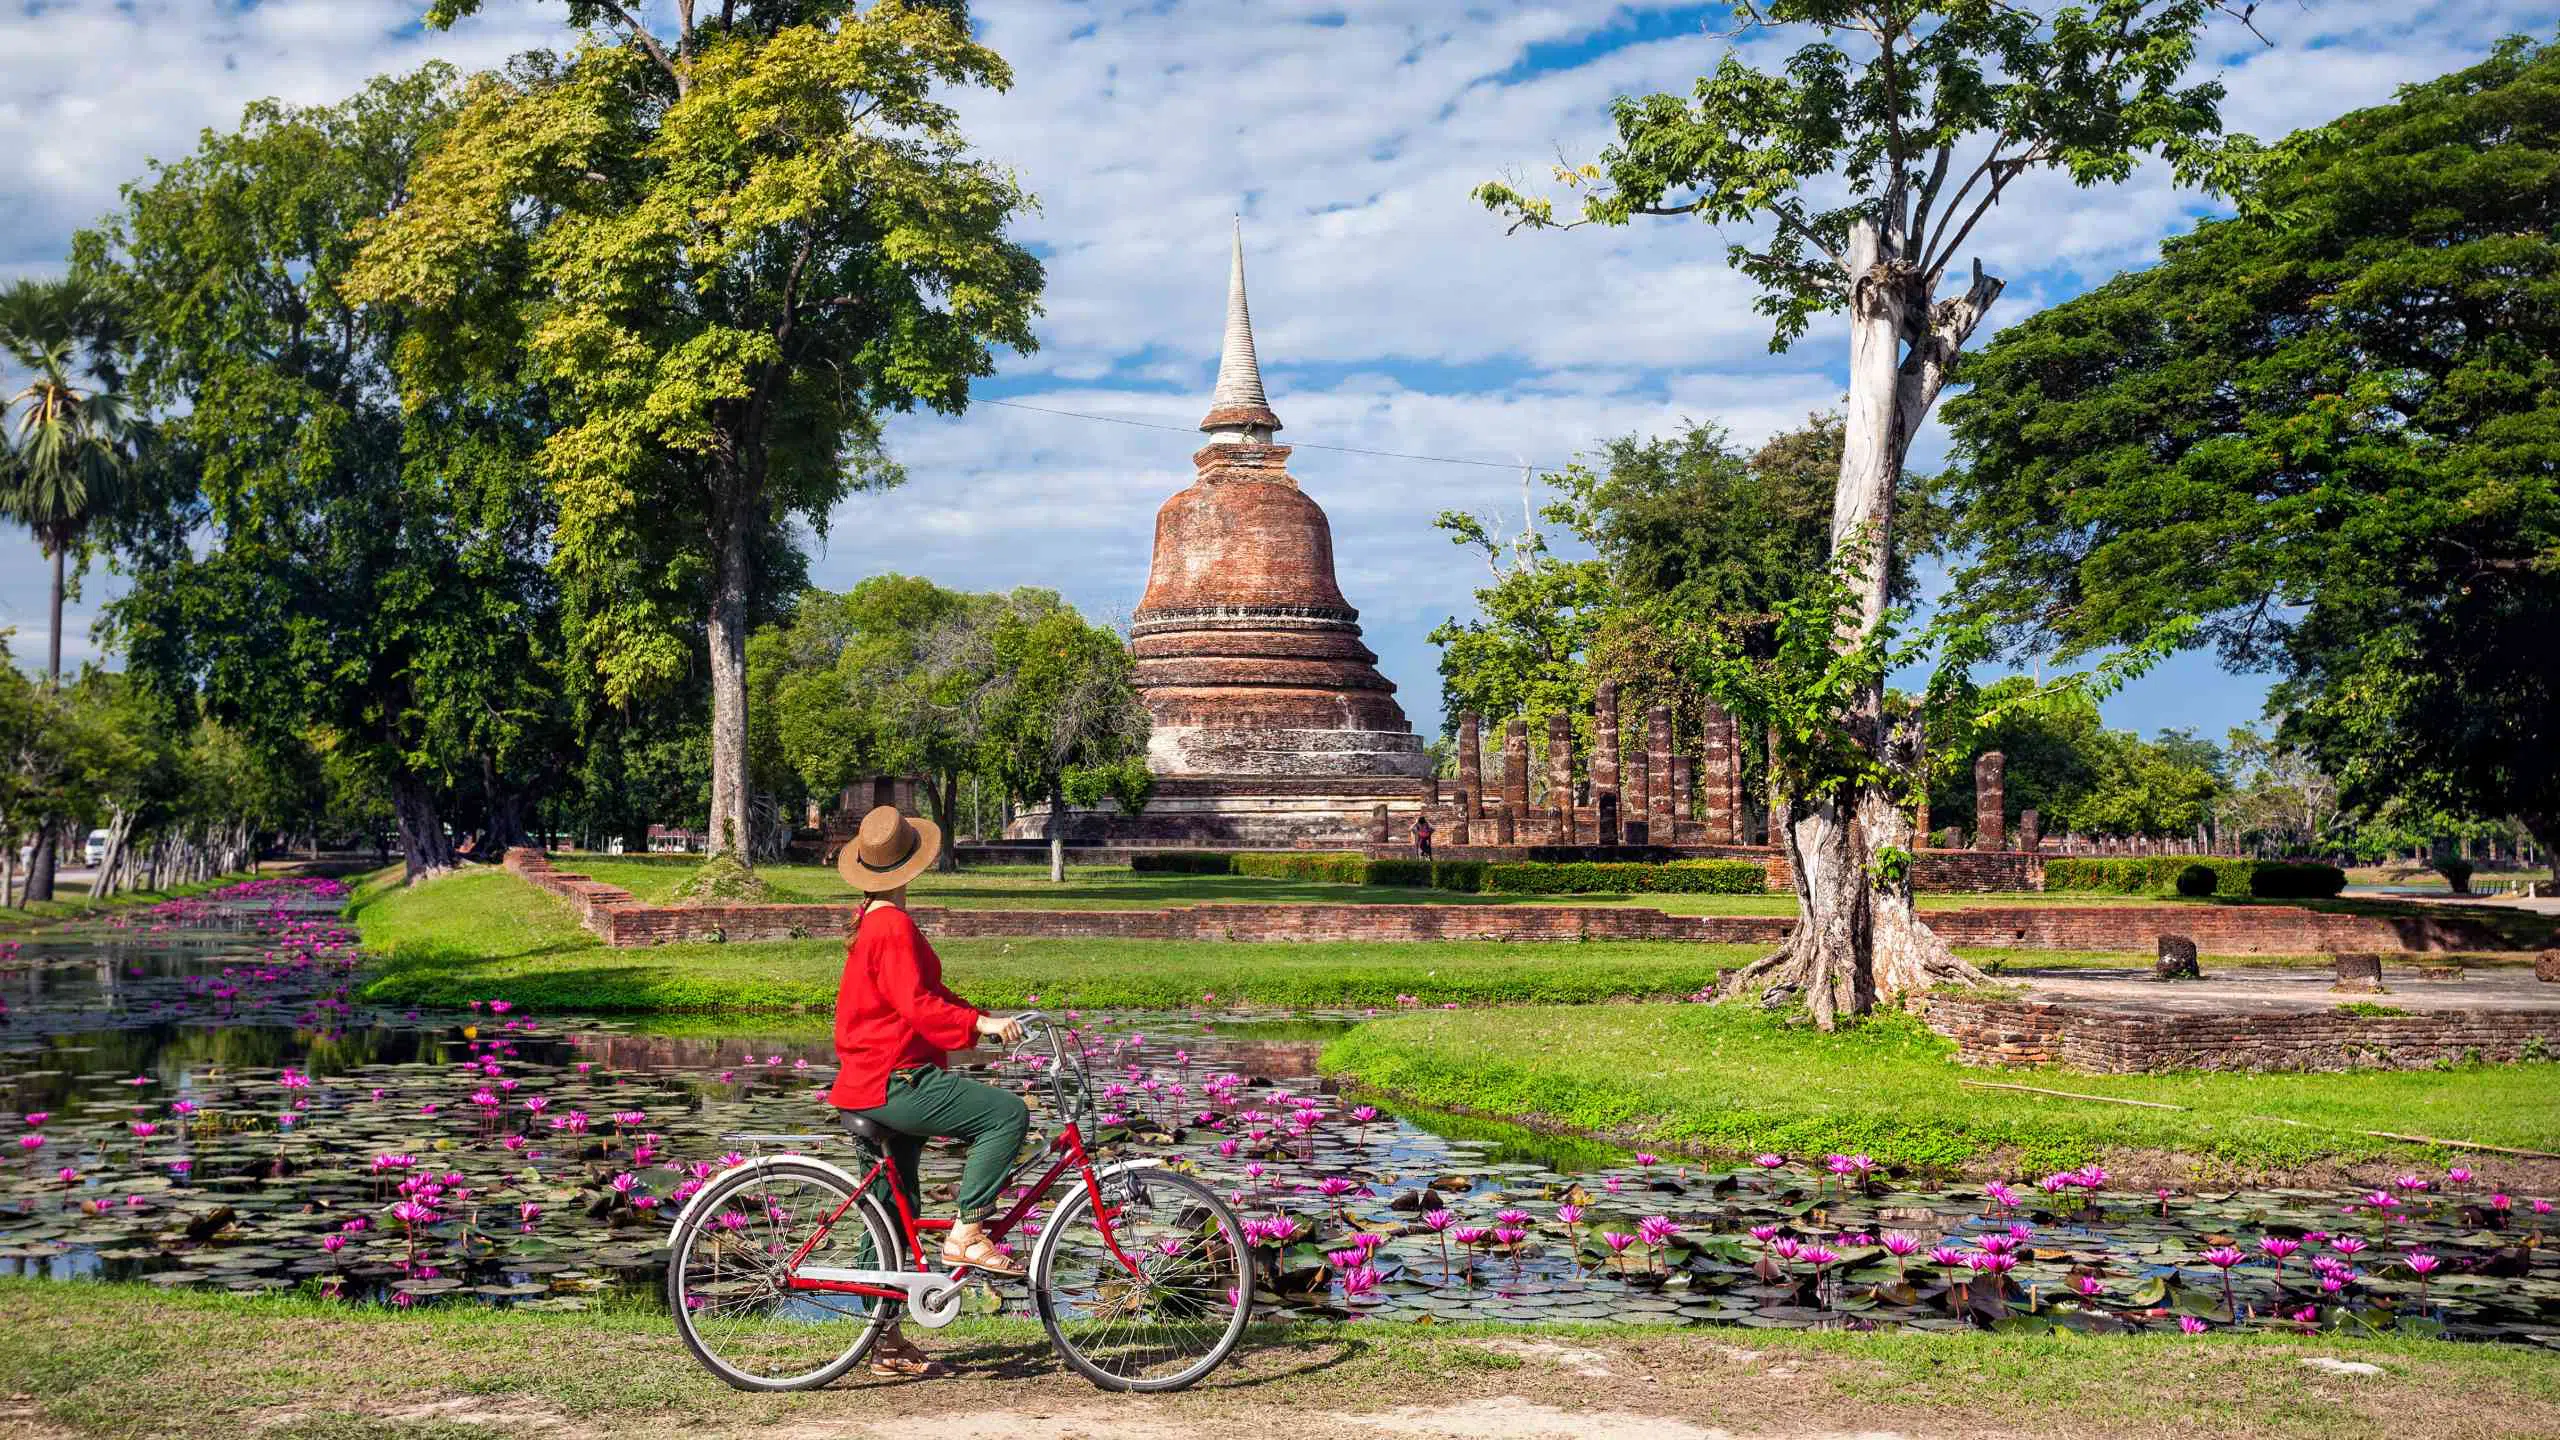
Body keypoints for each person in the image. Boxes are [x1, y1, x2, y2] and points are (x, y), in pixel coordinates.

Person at [828, 804, 1031, 1378]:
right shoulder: (891, 924)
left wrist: (979, 1018)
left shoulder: (873, 917)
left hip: (870, 1078)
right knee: (1005, 1115)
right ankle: (967, 1232)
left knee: (891, 1210)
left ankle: (881, 1341)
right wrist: (976, 1028)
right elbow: (916, 1006)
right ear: (909, 867)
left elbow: (927, 994)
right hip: (894, 1078)